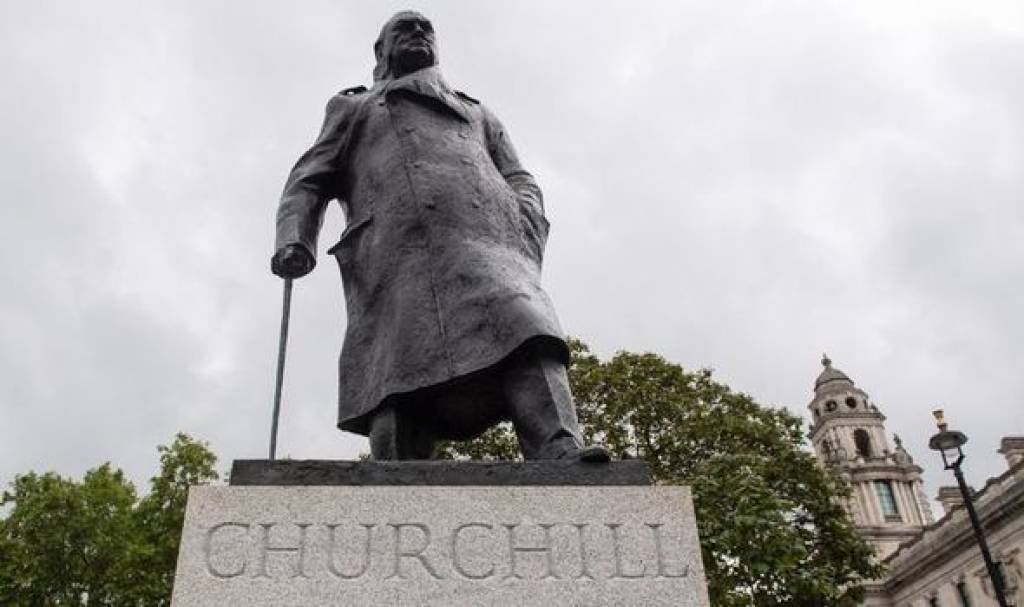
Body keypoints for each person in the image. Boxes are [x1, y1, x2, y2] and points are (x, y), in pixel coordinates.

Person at [271, 11, 608, 463]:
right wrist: (294, 237)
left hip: (489, 246)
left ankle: (559, 447)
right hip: (397, 256)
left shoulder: (477, 112)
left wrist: (523, 221)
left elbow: (519, 176)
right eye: (404, 29)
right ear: (381, 51)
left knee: (528, 325)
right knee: (397, 369)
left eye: (425, 28)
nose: (417, 33)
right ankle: (395, 475)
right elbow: (309, 178)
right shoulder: (355, 108)